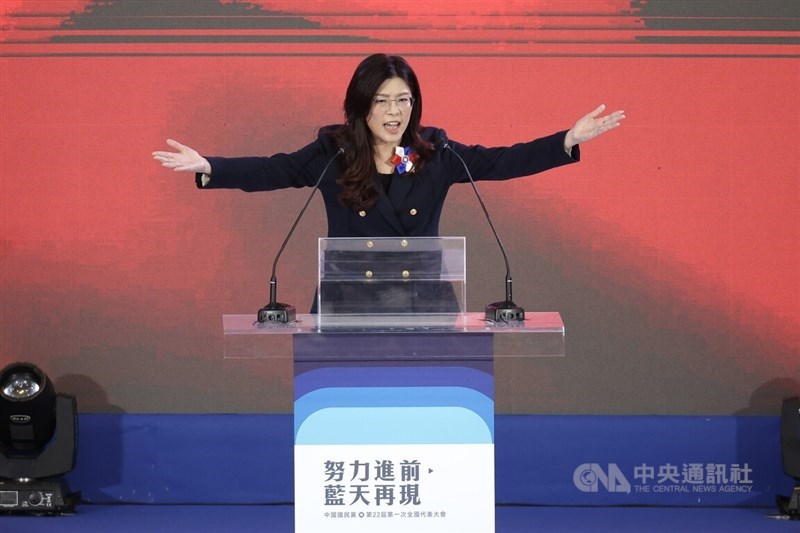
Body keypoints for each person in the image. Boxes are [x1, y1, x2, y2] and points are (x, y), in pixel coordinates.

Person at [153, 53, 624, 313]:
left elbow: (502, 161)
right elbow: (273, 170)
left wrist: (565, 141)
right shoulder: (335, 153)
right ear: (361, 106)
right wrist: (210, 165)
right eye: (381, 101)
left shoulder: (434, 154)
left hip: (424, 305)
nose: (394, 112)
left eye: (404, 100)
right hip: (347, 305)